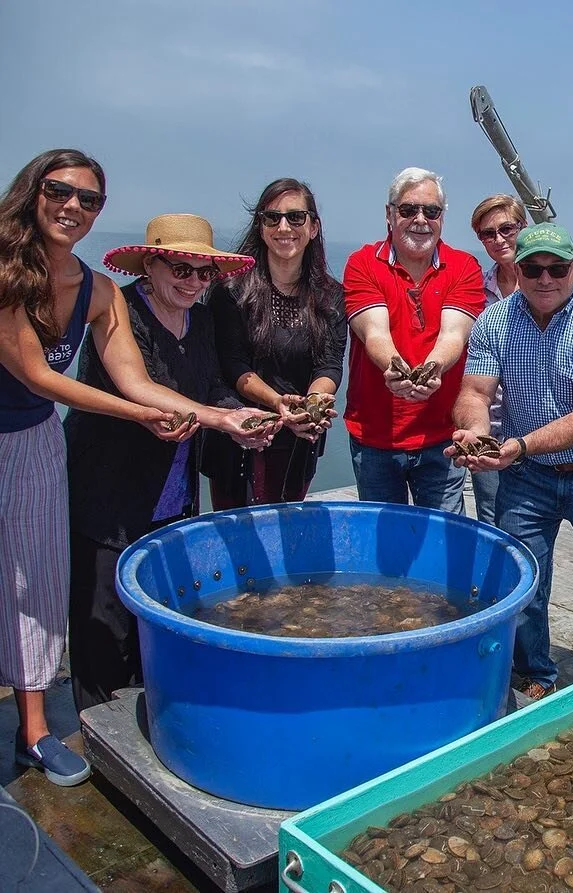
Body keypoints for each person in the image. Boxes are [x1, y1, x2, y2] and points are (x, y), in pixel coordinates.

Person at [1, 150, 221, 786]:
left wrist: (214, 417)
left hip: (35, 438)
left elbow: (133, 378)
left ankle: (36, 732)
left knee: (38, 583)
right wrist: (139, 416)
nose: (73, 207)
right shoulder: (8, 270)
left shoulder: (96, 290)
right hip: (26, 419)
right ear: (32, 192)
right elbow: (39, 375)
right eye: (59, 191)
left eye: (89, 199)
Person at [69, 214, 276, 710]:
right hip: (109, 488)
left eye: (204, 274)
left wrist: (239, 418)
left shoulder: (201, 321)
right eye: (181, 270)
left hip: (173, 492)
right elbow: (139, 387)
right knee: (103, 619)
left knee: (156, 606)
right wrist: (217, 418)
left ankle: (147, 710)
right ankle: (96, 723)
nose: (194, 282)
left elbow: (209, 390)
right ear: (149, 266)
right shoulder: (118, 314)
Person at [447, 222, 573, 701]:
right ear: (518, 269)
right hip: (527, 477)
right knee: (525, 580)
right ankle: (534, 672)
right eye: (533, 268)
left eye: (557, 268)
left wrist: (518, 446)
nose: (545, 278)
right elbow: (474, 391)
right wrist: (474, 433)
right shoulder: (494, 322)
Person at [342, 167, 485, 511]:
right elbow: (374, 331)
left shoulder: (464, 267)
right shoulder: (363, 263)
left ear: (442, 218)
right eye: (408, 210)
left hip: (440, 438)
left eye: (431, 211)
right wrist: (395, 370)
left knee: (443, 543)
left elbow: (455, 333)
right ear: (389, 214)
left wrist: (432, 368)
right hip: (375, 437)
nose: (420, 219)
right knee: (384, 546)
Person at [205, 178, 347, 507]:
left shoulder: (331, 296)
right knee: (239, 545)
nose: (284, 226)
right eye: (272, 217)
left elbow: (329, 363)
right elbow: (232, 363)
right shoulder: (231, 291)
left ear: (313, 227)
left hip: (301, 438)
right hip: (241, 434)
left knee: (287, 534)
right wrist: (278, 403)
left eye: (296, 217)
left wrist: (311, 404)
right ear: (261, 227)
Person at [467, 194, 529, 524]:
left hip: (538, 427)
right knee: (490, 518)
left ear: (523, 227)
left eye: (506, 228)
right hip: (491, 426)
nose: (499, 239)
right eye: (487, 234)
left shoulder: (555, 281)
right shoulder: (478, 289)